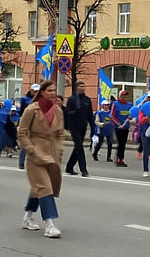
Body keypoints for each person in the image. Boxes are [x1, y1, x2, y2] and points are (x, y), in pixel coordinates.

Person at [17, 79, 65, 238]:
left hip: (52, 154)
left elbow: (60, 134)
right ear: (42, 92)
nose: (53, 94)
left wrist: (59, 149)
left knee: (40, 187)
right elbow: (22, 132)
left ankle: (28, 217)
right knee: (45, 187)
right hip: (35, 154)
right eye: (50, 90)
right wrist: (30, 149)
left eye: (54, 91)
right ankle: (49, 224)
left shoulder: (58, 111)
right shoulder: (32, 109)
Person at [64, 79, 93, 177]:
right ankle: (83, 169)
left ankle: (69, 167)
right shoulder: (72, 99)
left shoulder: (87, 100)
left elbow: (90, 115)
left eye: (84, 87)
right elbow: (67, 112)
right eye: (80, 87)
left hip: (83, 126)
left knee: (77, 147)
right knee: (80, 147)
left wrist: (93, 128)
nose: (82, 89)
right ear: (77, 88)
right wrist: (74, 112)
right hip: (74, 126)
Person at [18, 84, 39, 169]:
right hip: (26, 122)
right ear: (31, 90)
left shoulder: (40, 100)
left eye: (38, 91)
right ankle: (21, 162)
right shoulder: (25, 99)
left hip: (36, 123)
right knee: (25, 143)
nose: (36, 92)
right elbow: (22, 111)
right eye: (35, 91)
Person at [110, 89, 134, 167]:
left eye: (126, 96)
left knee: (123, 144)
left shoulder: (130, 105)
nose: (125, 97)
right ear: (120, 96)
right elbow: (112, 116)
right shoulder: (115, 104)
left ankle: (121, 159)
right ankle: (118, 159)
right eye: (123, 95)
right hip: (118, 127)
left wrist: (130, 117)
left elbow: (131, 114)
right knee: (120, 143)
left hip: (125, 127)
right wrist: (118, 124)